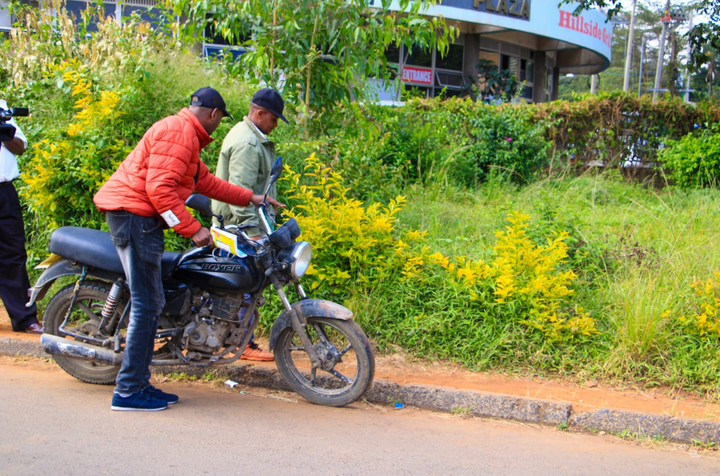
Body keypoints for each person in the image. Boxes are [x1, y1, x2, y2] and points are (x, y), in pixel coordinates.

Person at [94, 87, 283, 412]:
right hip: (133, 216)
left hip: (141, 217)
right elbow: (159, 190)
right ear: (212, 114)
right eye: (219, 119)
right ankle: (126, 391)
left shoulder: (185, 135)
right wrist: (193, 229)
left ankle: (139, 382)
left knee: (154, 300)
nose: (218, 124)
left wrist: (251, 198)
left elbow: (206, 182)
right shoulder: (179, 133)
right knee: (147, 303)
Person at [212, 88, 289, 362]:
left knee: (242, 288)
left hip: (242, 226)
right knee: (239, 288)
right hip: (238, 228)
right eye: (274, 118)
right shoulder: (248, 143)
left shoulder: (252, 137)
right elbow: (240, 191)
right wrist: (251, 233)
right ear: (259, 113)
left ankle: (235, 339)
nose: (276, 124)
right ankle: (237, 343)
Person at [0, 99, 42, 335]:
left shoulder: (1, 105)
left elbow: (20, 147)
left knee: (13, 254)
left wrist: (3, 130)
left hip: (4, 191)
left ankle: (24, 318)